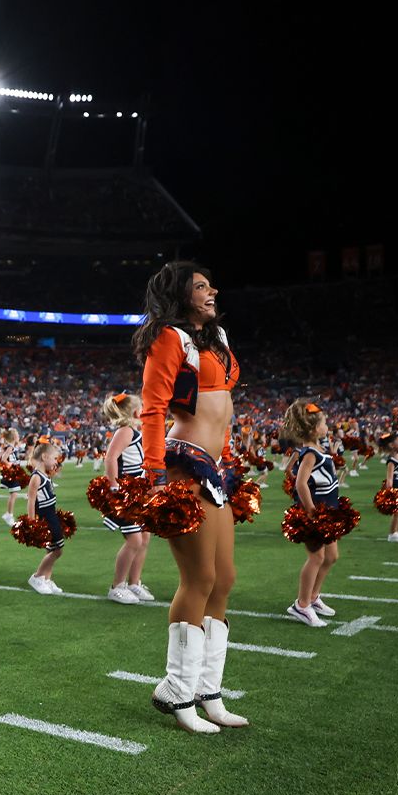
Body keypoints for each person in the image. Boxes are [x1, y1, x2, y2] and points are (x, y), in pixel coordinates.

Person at [136, 261, 248, 734]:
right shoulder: (169, 339)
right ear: (180, 295)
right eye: (201, 286)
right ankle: (178, 693)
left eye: (210, 283)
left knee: (223, 579)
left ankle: (209, 693)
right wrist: (155, 475)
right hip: (185, 463)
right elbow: (153, 408)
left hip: (216, 466)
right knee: (198, 576)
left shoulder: (215, 339)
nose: (212, 290)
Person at [282, 401, 342, 627]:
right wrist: (311, 512)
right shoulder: (308, 453)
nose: (327, 425)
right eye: (324, 422)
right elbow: (300, 484)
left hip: (329, 509)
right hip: (315, 511)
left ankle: (314, 596)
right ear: (315, 428)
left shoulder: (320, 450)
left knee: (331, 556)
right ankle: (302, 605)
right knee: (316, 557)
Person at [99, 392, 155, 604]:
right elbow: (111, 458)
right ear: (135, 411)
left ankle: (134, 582)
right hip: (125, 493)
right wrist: (114, 488)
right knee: (134, 540)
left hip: (136, 493)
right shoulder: (125, 431)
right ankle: (117, 586)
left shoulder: (134, 431)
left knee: (144, 537)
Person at [23, 441, 68, 595]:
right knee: (57, 550)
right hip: (45, 516)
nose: (56, 462)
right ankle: (37, 576)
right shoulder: (36, 477)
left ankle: (46, 579)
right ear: (44, 457)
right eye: (55, 458)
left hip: (51, 513)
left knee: (52, 549)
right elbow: (31, 500)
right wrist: (32, 522)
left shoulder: (45, 474)